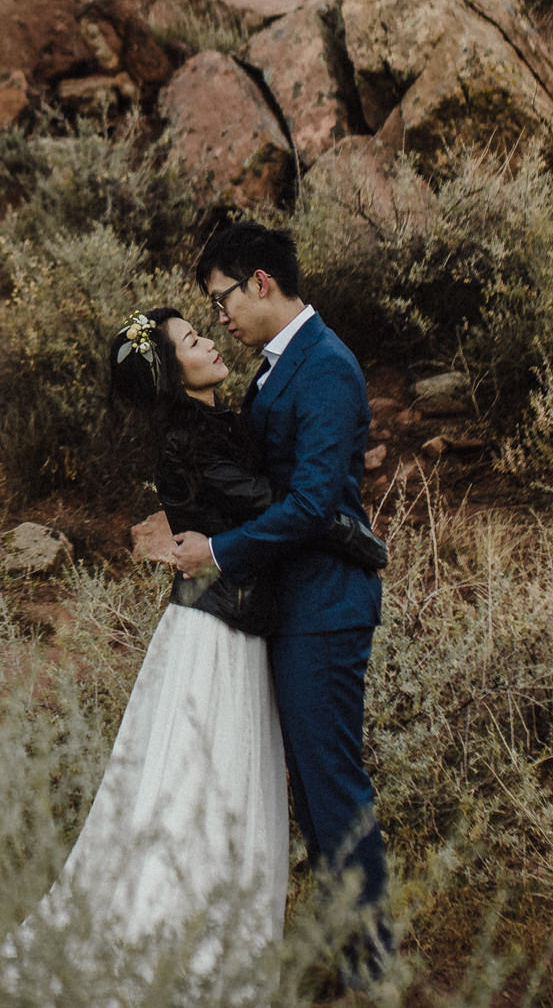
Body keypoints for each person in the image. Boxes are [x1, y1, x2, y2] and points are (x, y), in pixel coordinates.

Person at [1, 306, 293, 992]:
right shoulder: (189, 440)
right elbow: (278, 503)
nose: (211, 341)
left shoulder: (217, 423)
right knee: (199, 782)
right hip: (214, 634)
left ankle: (217, 939)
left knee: (215, 780)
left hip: (226, 624)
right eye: (193, 340)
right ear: (172, 371)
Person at [170, 220, 393, 987]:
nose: (220, 316)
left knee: (333, 788)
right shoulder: (272, 371)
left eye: (223, 297)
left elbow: (311, 503)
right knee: (313, 792)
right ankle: (351, 949)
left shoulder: (325, 366)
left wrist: (219, 552)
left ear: (261, 280)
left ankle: (375, 968)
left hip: (327, 608)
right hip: (292, 605)